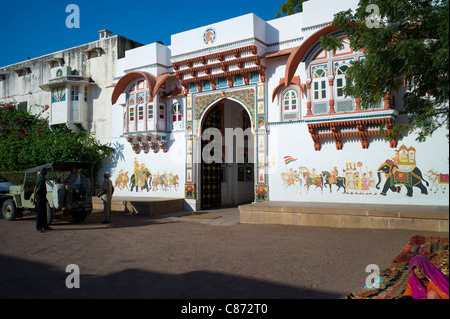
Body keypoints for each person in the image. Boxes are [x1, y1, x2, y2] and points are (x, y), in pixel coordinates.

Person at [32, 168, 53, 232]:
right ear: (45, 173)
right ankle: (39, 227)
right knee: (40, 212)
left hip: (41, 197)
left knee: (43, 212)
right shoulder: (42, 180)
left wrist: (34, 197)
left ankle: (44, 226)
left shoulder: (38, 178)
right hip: (40, 196)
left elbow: (35, 188)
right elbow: (38, 189)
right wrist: (35, 196)